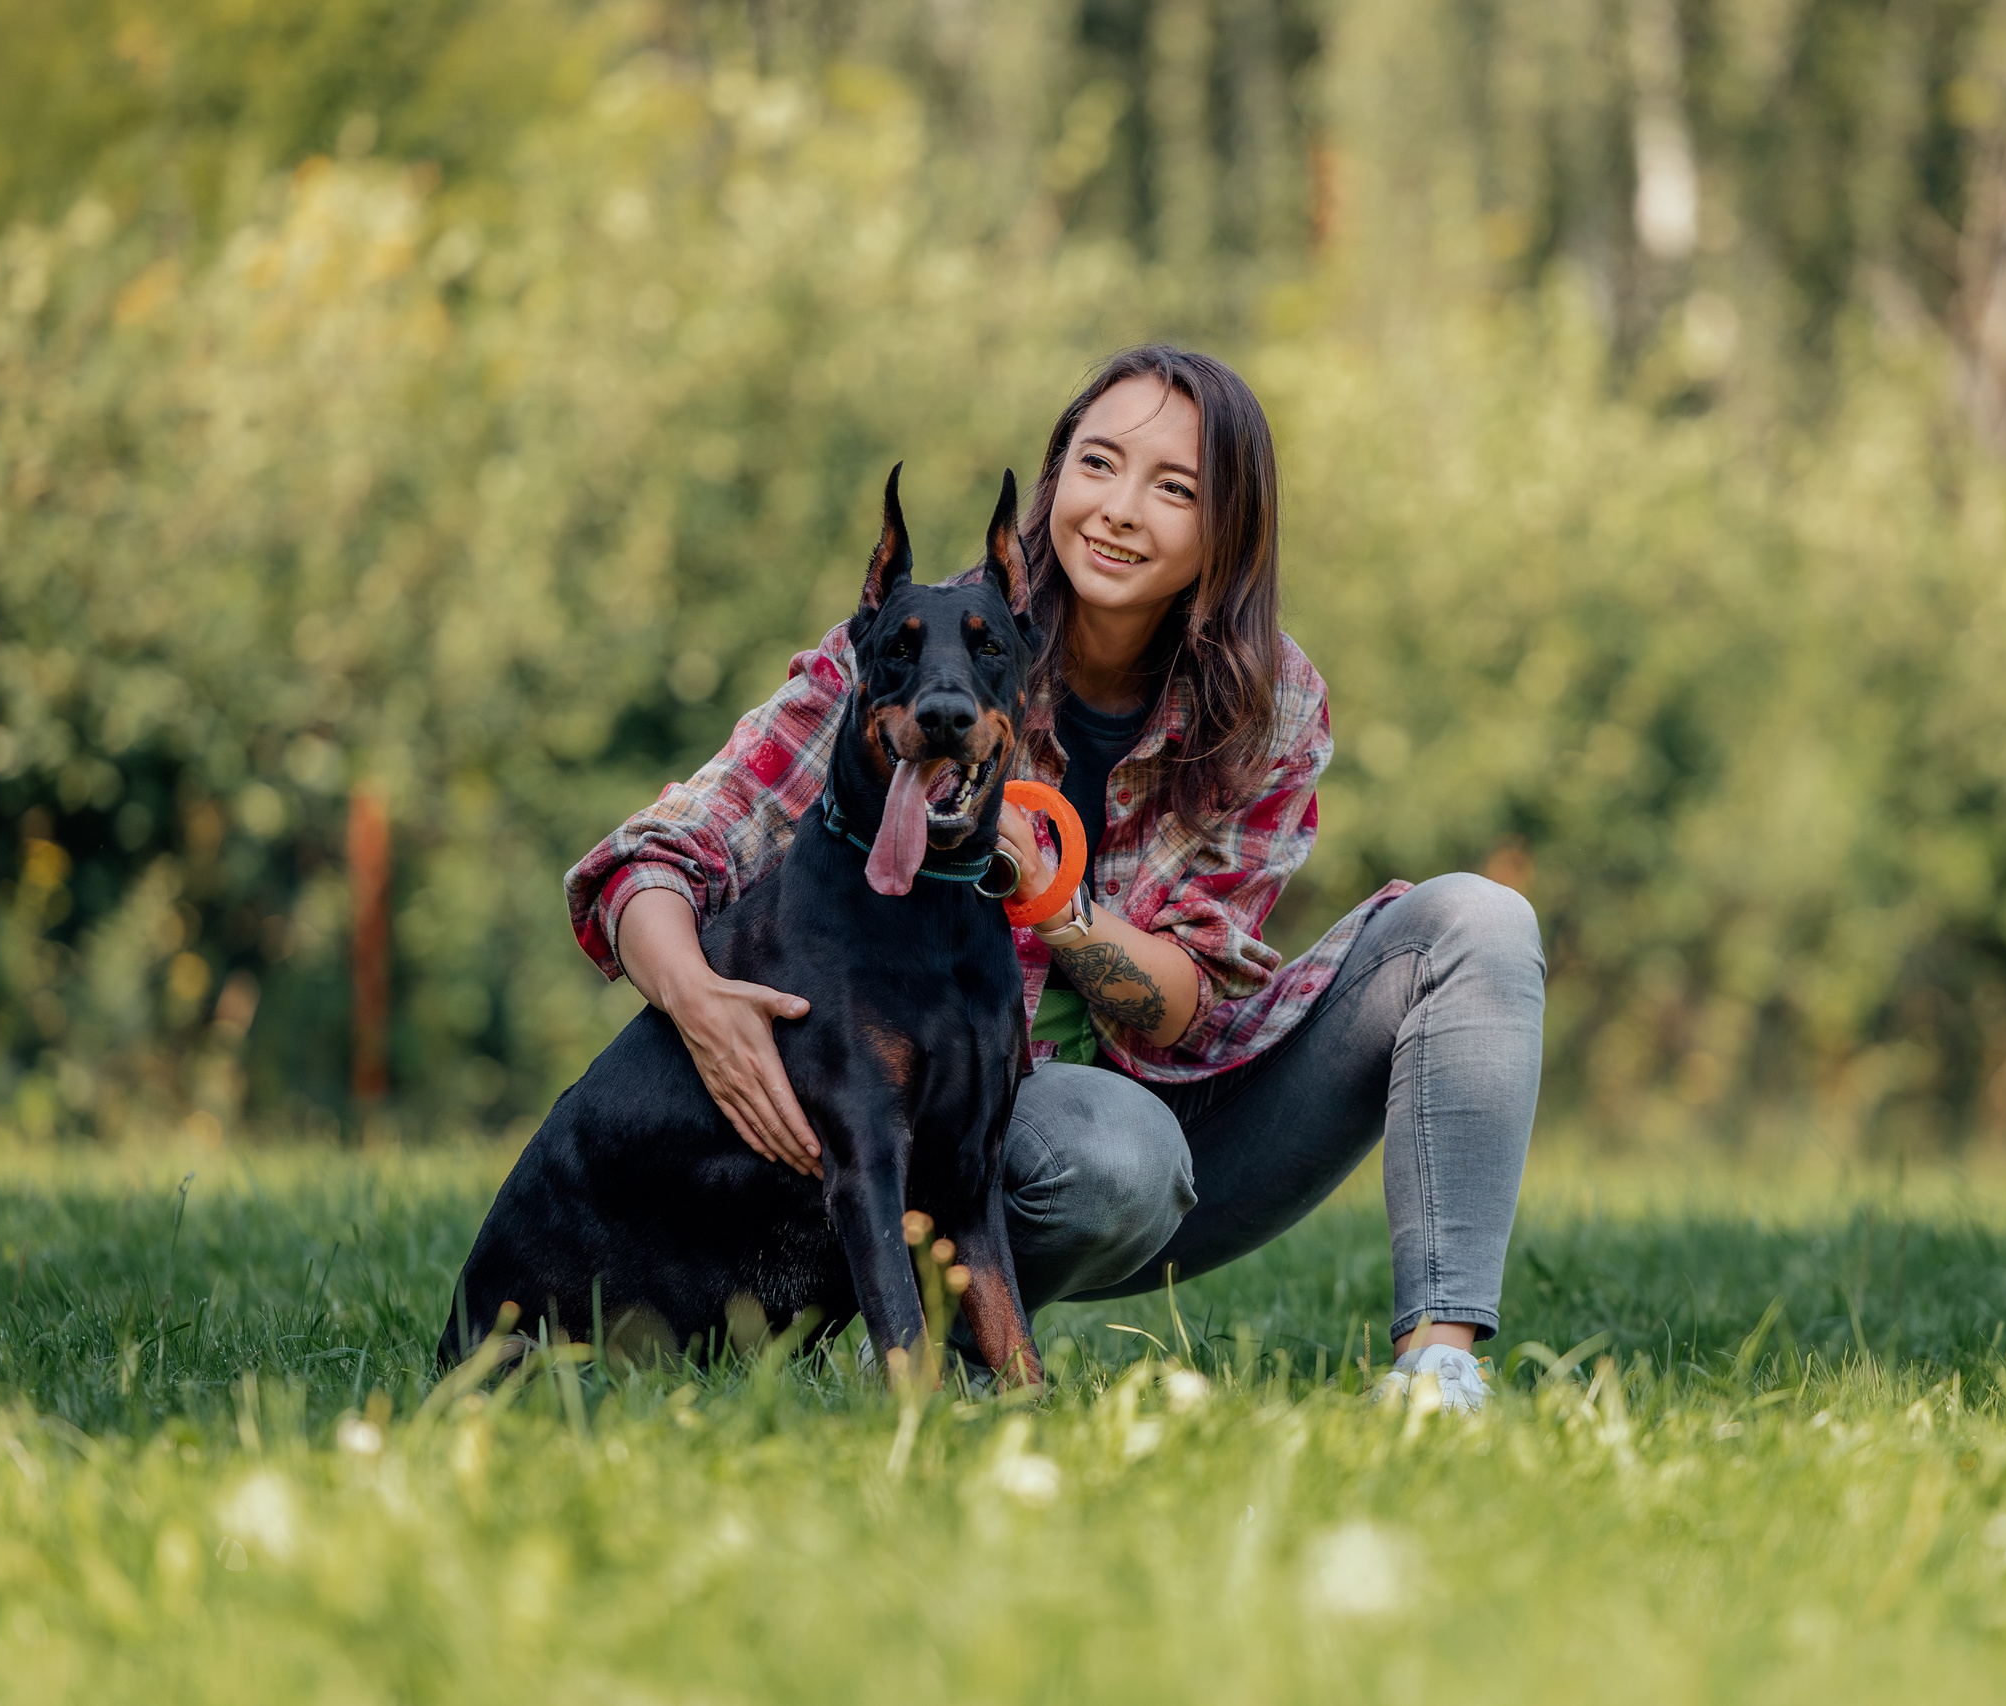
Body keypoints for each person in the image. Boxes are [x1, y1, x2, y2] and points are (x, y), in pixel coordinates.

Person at [566, 345, 1544, 1410]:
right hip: (1003, 1145)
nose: (1120, 509)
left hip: (1201, 1131)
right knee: (1113, 1151)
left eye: (1174, 488)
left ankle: (1437, 1371)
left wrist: (1050, 899)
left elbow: (1180, 1003)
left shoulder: (1271, 701)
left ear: (1230, 530)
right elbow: (656, 850)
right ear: (1054, 480)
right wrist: (701, 1003)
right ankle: (917, 1338)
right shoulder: (916, 653)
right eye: (1098, 464)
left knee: (1477, 923)